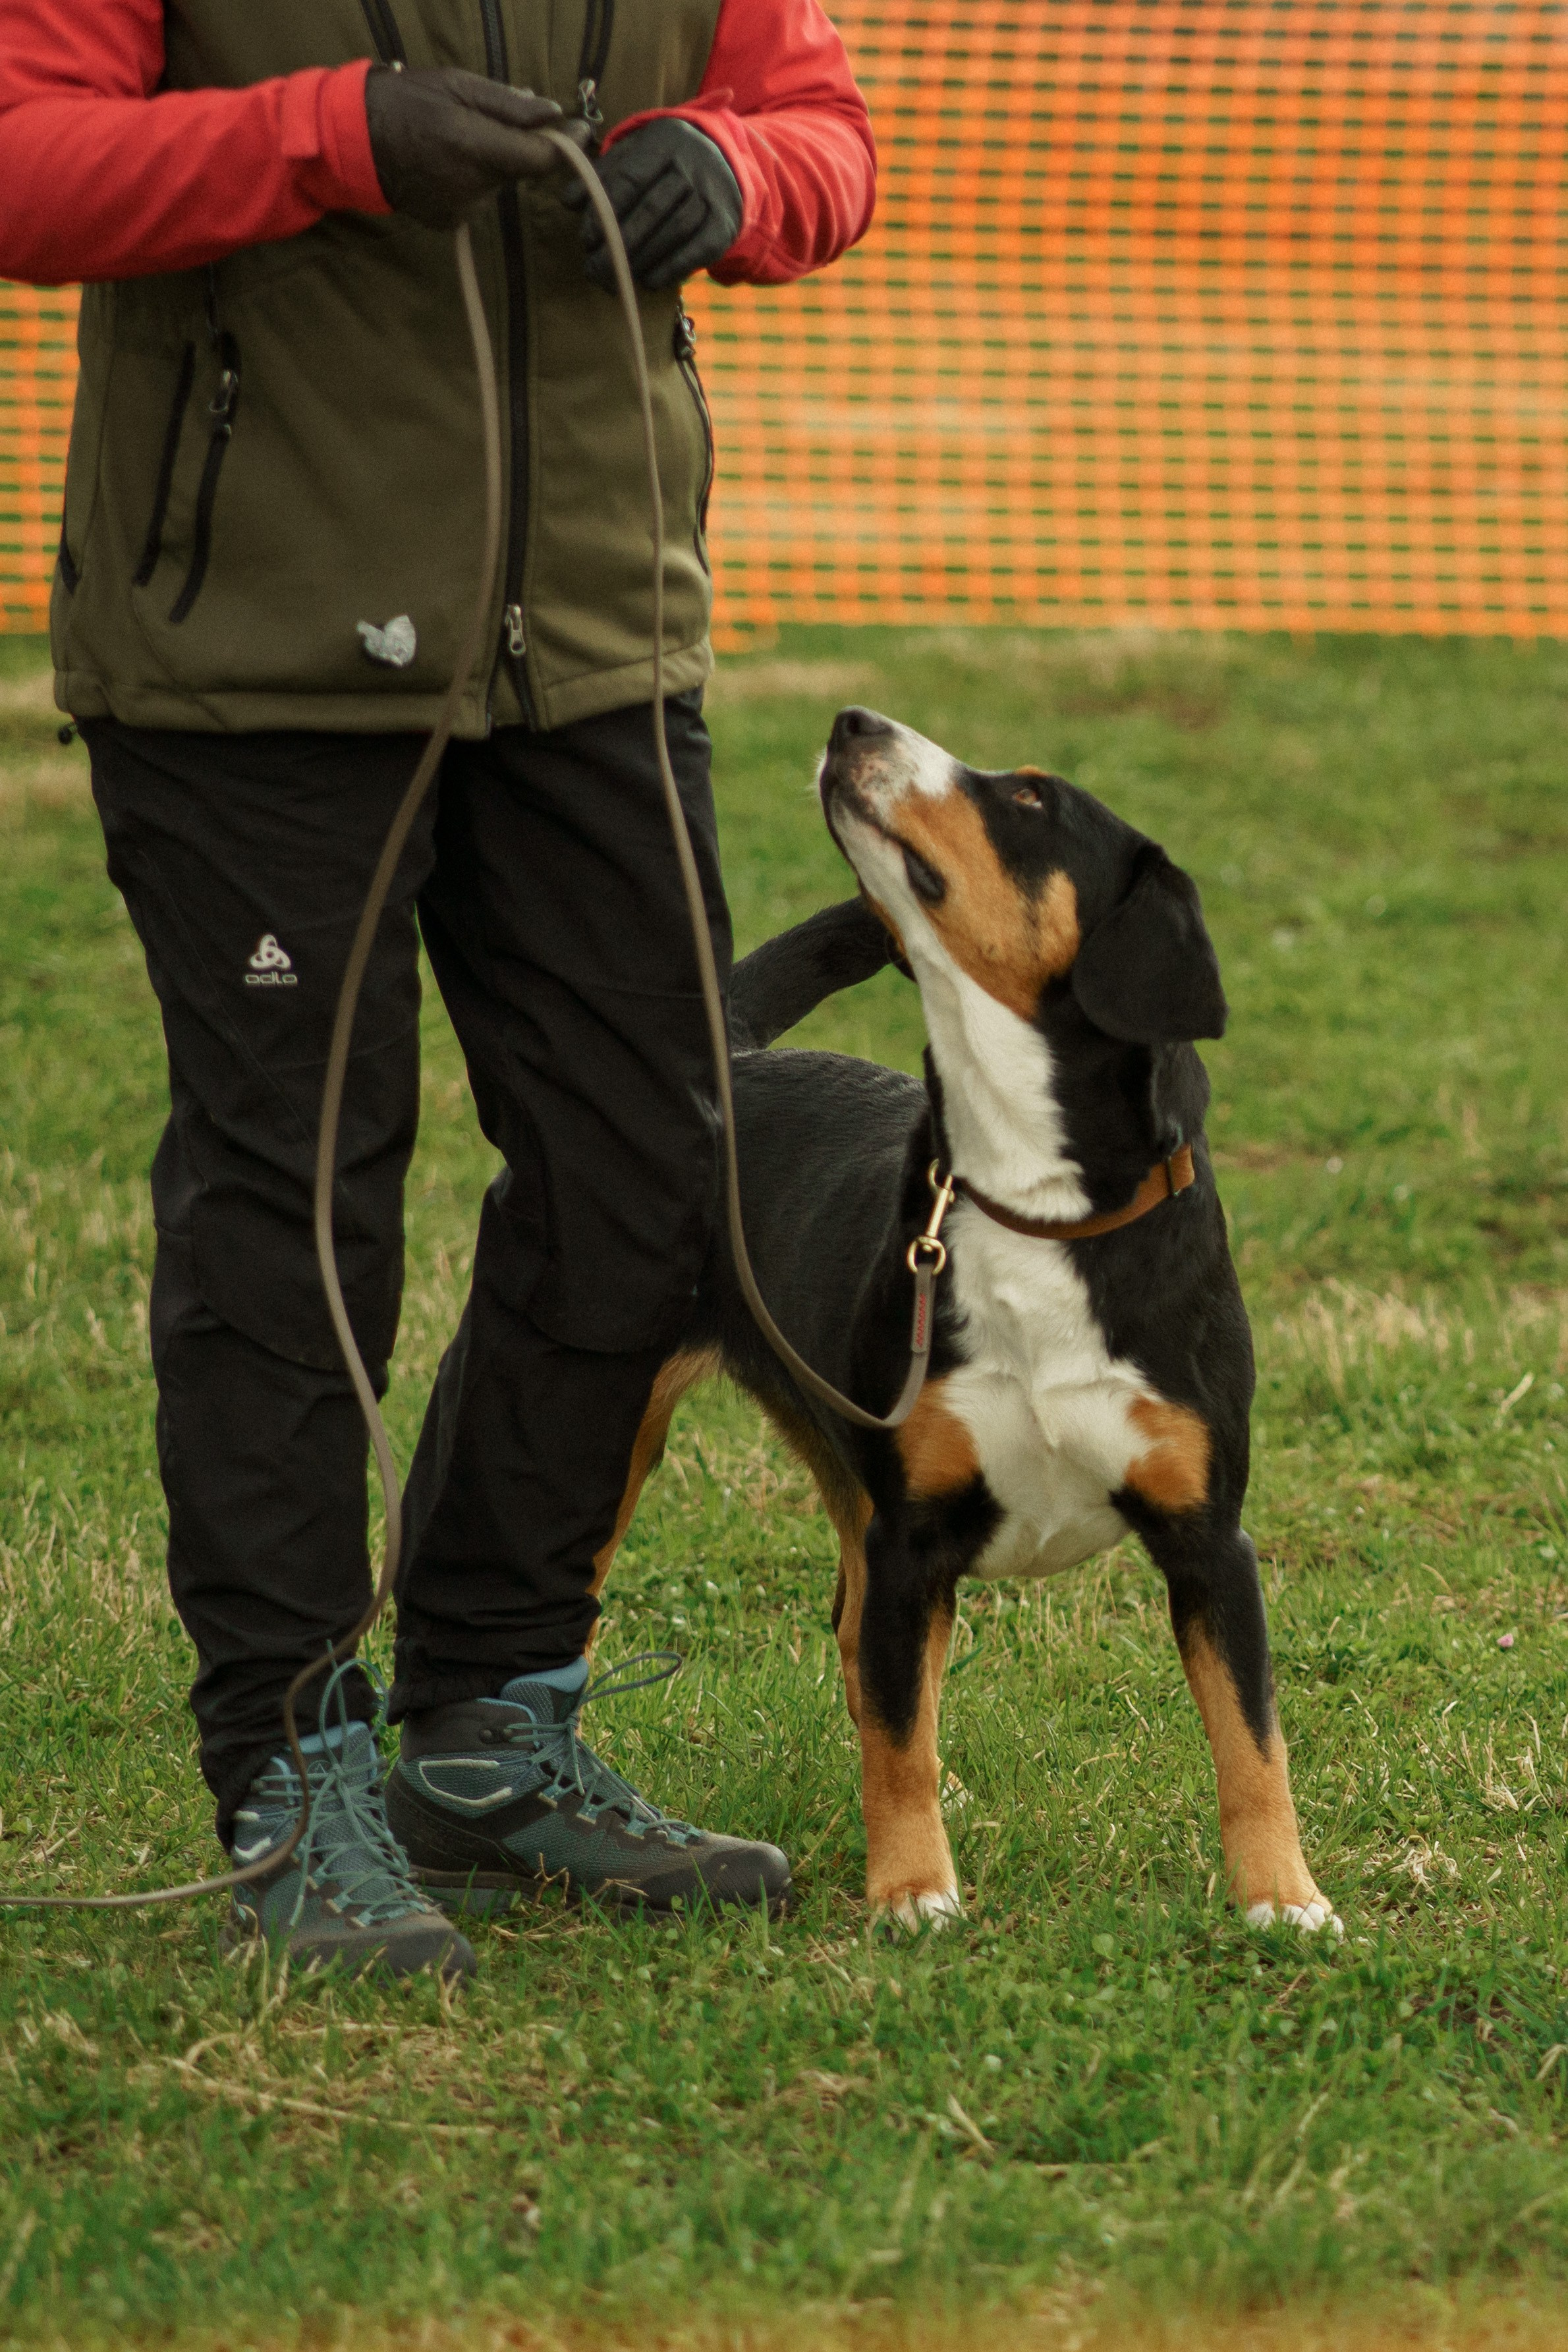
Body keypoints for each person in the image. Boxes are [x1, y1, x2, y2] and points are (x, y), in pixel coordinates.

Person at [0, 0, 876, 1982]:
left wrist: (734, 175)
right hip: (254, 651)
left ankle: (489, 1721)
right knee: (302, 1200)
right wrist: (330, 133)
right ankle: (289, 1769)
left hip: (590, 642)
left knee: (649, 1165)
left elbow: (825, 127)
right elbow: (26, 161)